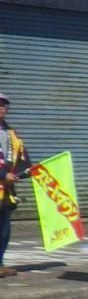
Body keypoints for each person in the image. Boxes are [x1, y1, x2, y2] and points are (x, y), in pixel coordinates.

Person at [0, 95, 27, 278]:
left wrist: (26, 172)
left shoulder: (11, 134)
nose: (1, 108)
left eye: (4, 105)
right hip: (3, 180)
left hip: (5, 190)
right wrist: (3, 175)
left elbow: (22, 159)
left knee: (3, 230)